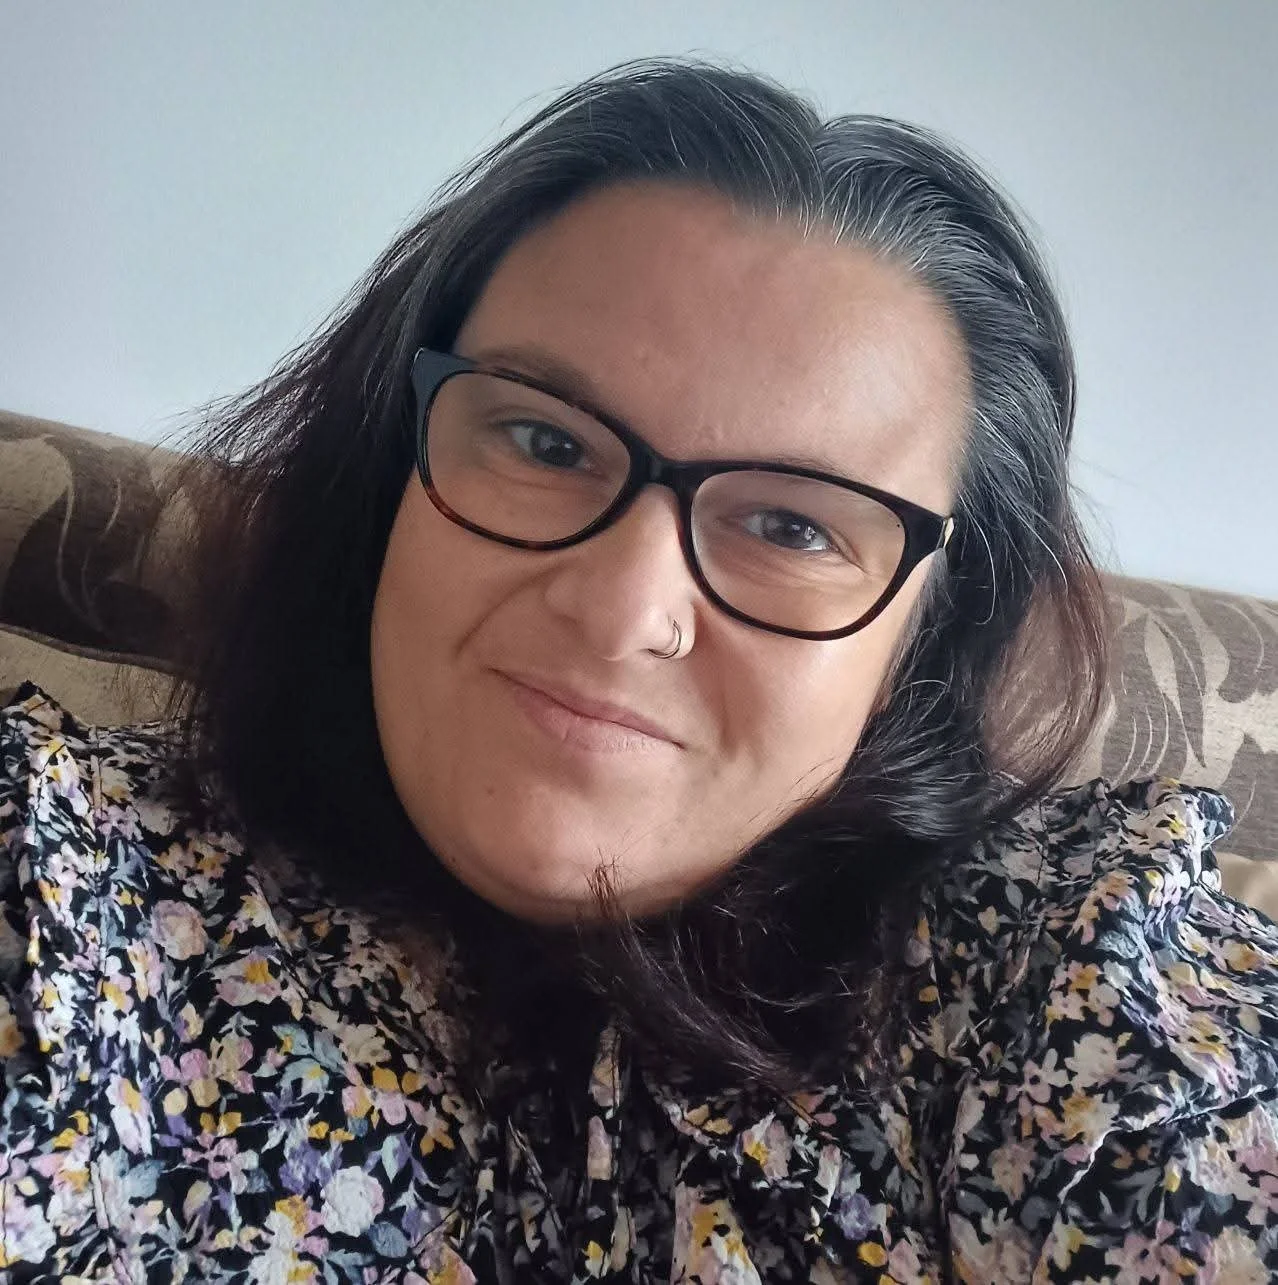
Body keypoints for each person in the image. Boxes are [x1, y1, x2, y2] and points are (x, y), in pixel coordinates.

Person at [2, 59, 1276, 1284]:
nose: (622, 612)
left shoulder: (1073, 981)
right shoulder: (60, 882)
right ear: (393, 463)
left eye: (793, 526)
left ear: (915, 651)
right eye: (545, 439)